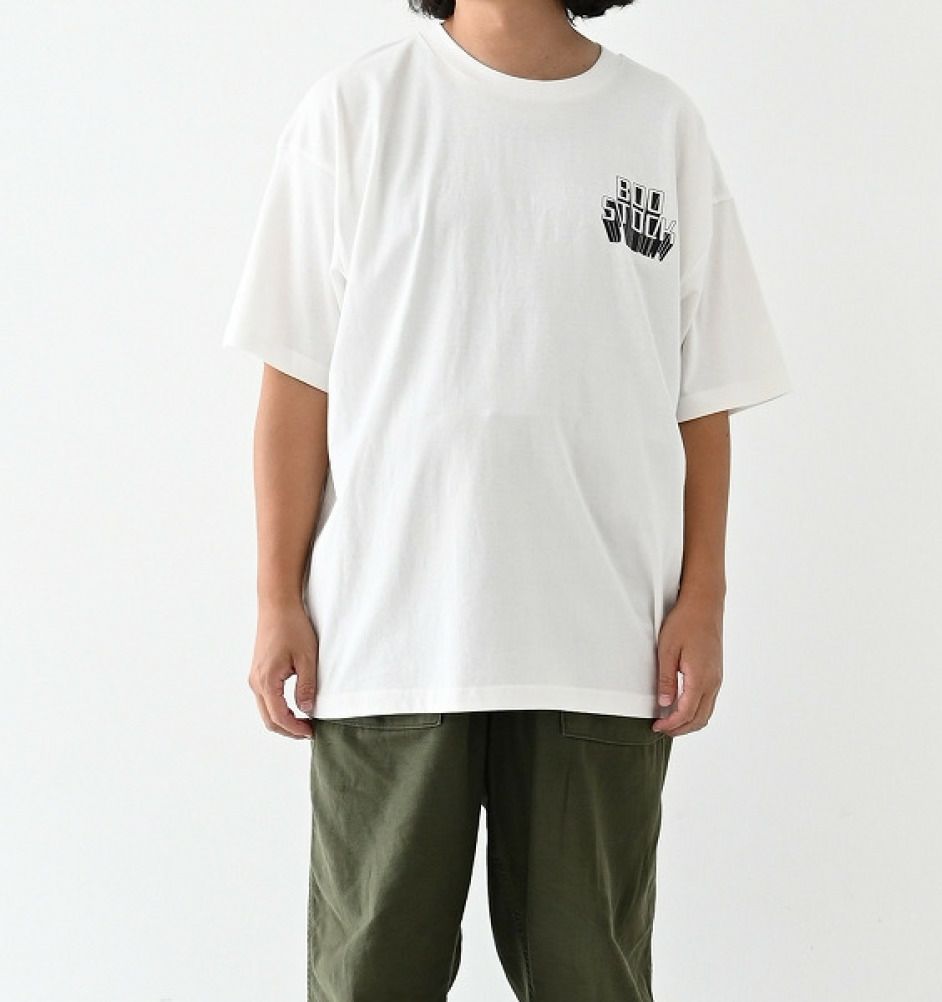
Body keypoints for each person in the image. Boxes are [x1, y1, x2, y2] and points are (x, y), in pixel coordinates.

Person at [222, 0, 793, 998]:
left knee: (592, 979)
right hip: (391, 643)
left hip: (603, 647)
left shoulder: (658, 123)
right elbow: (296, 382)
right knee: (369, 978)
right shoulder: (358, 111)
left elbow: (703, 399)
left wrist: (704, 596)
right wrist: (277, 596)